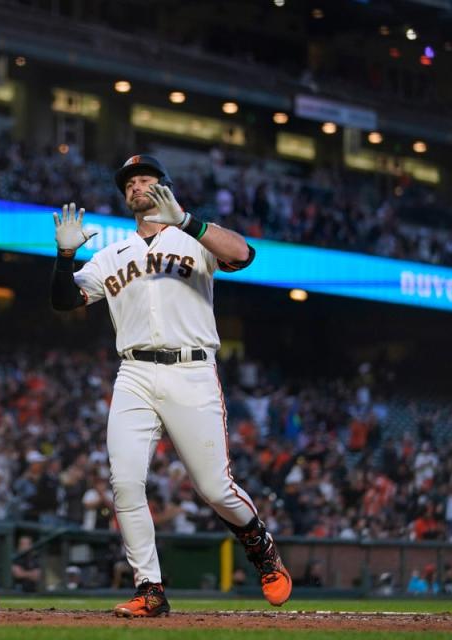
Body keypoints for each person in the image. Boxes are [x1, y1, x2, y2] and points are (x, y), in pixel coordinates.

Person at [50, 155, 291, 617]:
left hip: (192, 370)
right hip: (135, 374)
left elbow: (243, 254)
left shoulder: (193, 237)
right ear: (125, 197)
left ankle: (261, 547)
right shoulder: (111, 254)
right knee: (124, 483)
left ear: (164, 189)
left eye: (147, 179)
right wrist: (64, 257)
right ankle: (150, 589)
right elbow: (64, 301)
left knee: (215, 488)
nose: (138, 186)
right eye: (131, 182)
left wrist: (186, 220)